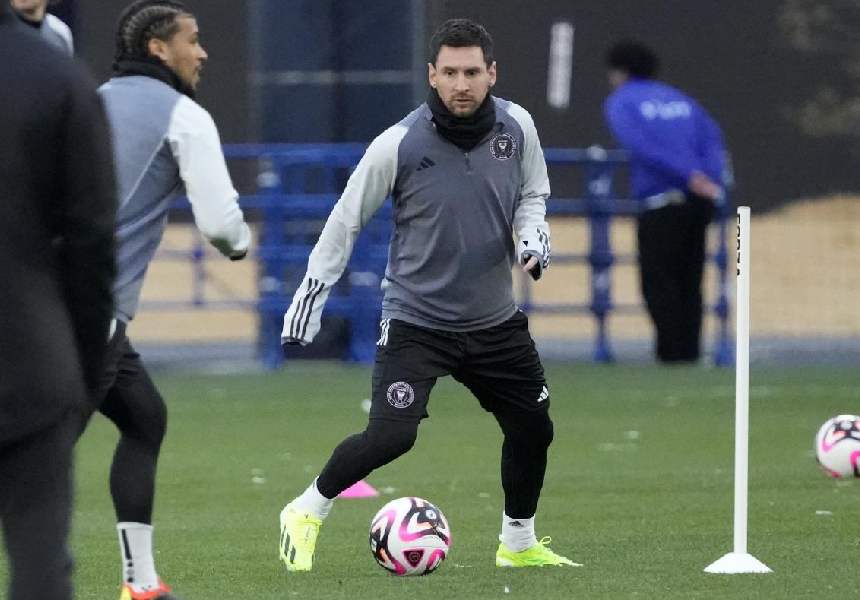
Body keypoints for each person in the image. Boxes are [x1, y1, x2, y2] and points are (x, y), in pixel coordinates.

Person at [278, 18, 580, 571]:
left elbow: (533, 192)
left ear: (491, 74)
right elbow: (345, 220)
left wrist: (533, 237)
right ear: (432, 77)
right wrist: (311, 294)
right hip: (417, 321)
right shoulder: (397, 143)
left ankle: (518, 544)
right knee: (391, 437)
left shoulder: (519, 127)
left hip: (494, 321)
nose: (461, 84)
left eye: (472, 72)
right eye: (449, 73)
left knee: (534, 428)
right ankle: (305, 508)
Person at [87, 2, 251, 598]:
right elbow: (222, 226)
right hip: (84, 315)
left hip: (33, 299)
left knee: (142, 416)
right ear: (160, 48)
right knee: (34, 462)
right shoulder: (184, 116)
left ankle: (142, 583)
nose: (202, 52)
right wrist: (240, 243)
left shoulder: (90, 100)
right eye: (194, 39)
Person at [0, 1, 117, 598]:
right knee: (41, 565)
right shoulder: (57, 75)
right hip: (30, 358)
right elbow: (92, 240)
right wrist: (84, 365)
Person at [604, 40, 728, 364]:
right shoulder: (681, 100)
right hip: (699, 202)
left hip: (660, 202)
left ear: (619, 71)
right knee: (691, 279)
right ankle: (690, 354)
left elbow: (641, 147)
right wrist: (707, 178)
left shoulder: (623, 102)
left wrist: (687, 175)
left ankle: (671, 355)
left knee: (658, 282)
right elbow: (712, 138)